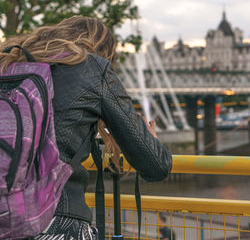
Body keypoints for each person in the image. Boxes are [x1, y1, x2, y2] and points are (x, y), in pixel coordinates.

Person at [0, 16, 173, 239]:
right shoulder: (92, 67)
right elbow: (156, 166)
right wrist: (150, 140)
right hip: (56, 219)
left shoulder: (9, 64)